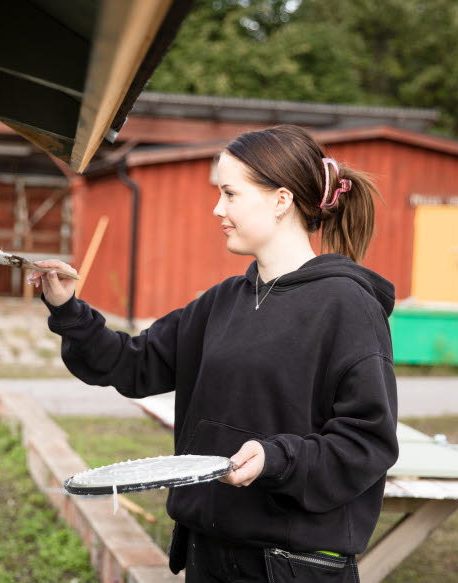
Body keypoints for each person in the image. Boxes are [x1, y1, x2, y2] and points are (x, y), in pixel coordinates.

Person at [27, 125, 399, 582]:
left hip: (291, 565)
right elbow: (131, 363)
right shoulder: (222, 301)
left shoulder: (348, 306)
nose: (217, 208)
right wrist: (68, 308)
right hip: (208, 551)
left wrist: (276, 459)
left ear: (281, 201)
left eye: (230, 193)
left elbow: (367, 443)